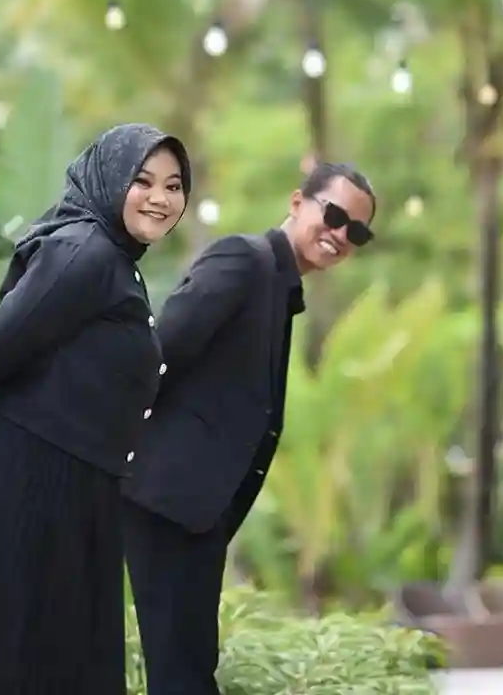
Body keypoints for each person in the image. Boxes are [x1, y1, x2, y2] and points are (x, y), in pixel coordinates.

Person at [0, 123, 191, 695]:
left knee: (46, 659)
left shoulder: (110, 259)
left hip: (61, 481)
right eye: (143, 181)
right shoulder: (85, 251)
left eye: (174, 186)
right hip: (17, 481)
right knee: (8, 659)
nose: (160, 198)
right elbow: (1, 339)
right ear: (110, 179)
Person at [122, 160, 376, 695]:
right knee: (182, 672)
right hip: (167, 503)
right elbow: (157, 353)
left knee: (188, 667)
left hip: (197, 514)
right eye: (334, 216)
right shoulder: (244, 260)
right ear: (297, 202)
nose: (340, 235)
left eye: (356, 231)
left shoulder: (278, 290)